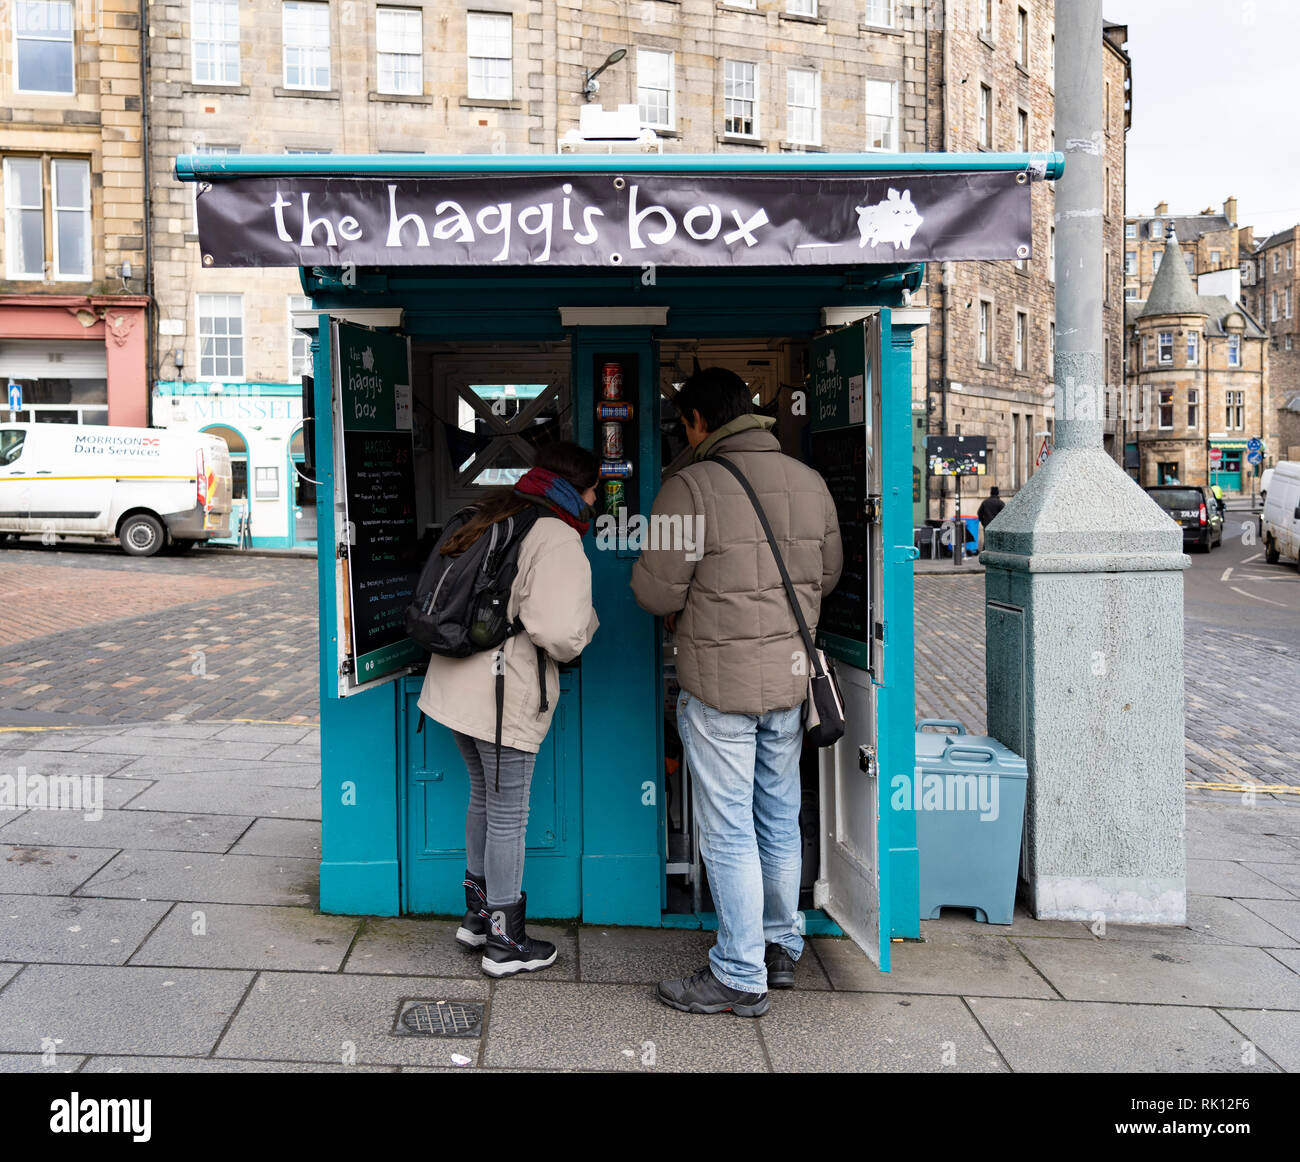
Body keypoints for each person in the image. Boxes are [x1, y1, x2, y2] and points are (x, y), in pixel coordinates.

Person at [631, 367, 843, 1017]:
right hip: (786, 683)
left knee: (726, 831)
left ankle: (739, 973)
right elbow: (829, 575)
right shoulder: (809, 483)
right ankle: (780, 945)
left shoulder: (688, 485)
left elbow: (655, 591)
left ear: (697, 422)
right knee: (779, 817)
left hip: (719, 688)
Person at [418, 441, 600, 977]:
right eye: (593, 489)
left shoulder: (495, 510)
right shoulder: (555, 533)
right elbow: (562, 632)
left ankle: (477, 919)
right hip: (500, 694)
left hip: (454, 685)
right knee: (508, 813)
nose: (596, 499)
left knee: (484, 797)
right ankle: (505, 943)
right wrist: (586, 632)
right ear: (576, 489)